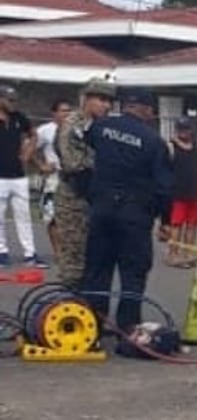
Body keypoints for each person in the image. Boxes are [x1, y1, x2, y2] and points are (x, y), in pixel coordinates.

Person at [80, 87, 173, 335]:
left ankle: (91, 326)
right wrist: (166, 221)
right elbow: (165, 187)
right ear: (146, 109)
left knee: (97, 270)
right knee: (133, 274)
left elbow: (84, 154)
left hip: (102, 210)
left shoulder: (101, 127)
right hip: (135, 215)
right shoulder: (154, 141)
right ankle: (128, 328)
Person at [56, 77, 115, 288]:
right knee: (74, 258)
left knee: (94, 257)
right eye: (101, 99)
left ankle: (87, 300)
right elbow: (74, 164)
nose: (107, 106)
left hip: (95, 198)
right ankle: (70, 300)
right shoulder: (73, 125)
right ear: (86, 99)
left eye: (109, 101)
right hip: (74, 196)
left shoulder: (102, 126)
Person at [0, 83, 47, 268]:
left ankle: (30, 253)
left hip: (18, 175)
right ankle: (2, 252)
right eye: (10, 100)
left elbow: (33, 135)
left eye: (15, 100)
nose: (14, 103)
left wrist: (28, 151)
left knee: (24, 215)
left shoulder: (19, 117)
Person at [165, 117, 197, 268]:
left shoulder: (194, 147)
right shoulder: (171, 146)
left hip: (193, 192)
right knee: (177, 225)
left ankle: (188, 252)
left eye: (187, 129)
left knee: (192, 224)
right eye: (181, 129)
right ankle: (173, 254)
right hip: (177, 193)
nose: (184, 132)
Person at [35, 99, 71, 265]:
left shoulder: (76, 129)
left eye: (68, 111)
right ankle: (58, 252)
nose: (66, 114)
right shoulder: (45, 130)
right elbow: (28, 148)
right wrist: (41, 165)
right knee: (53, 217)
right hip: (54, 179)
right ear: (54, 113)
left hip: (72, 178)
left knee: (71, 218)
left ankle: (70, 251)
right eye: (63, 111)